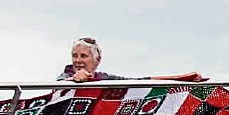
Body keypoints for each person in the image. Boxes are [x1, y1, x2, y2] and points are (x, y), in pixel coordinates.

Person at [56, 37, 205, 83]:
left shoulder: (104, 79)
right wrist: (73, 82)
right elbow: (57, 89)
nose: (78, 60)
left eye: (83, 56)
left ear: (97, 59)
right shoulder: (65, 76)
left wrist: (182, 78)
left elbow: (139, 81)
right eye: (75, 56)